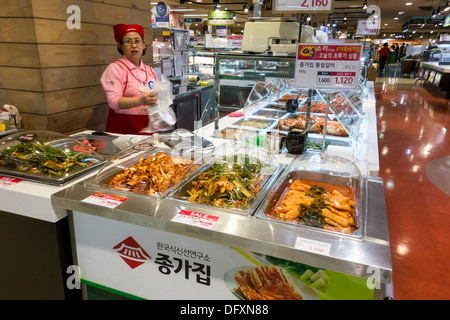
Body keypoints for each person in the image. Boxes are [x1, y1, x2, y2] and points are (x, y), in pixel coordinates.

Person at [100, 24, 159, 134]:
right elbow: (113, 102)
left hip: (149, 130)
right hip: (124, 131)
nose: (134, 46)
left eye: (137, 41)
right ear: (120, 46)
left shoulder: (150, 70)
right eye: (128, 42)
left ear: (144, 45)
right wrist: (142, 100)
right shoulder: (115, 68)